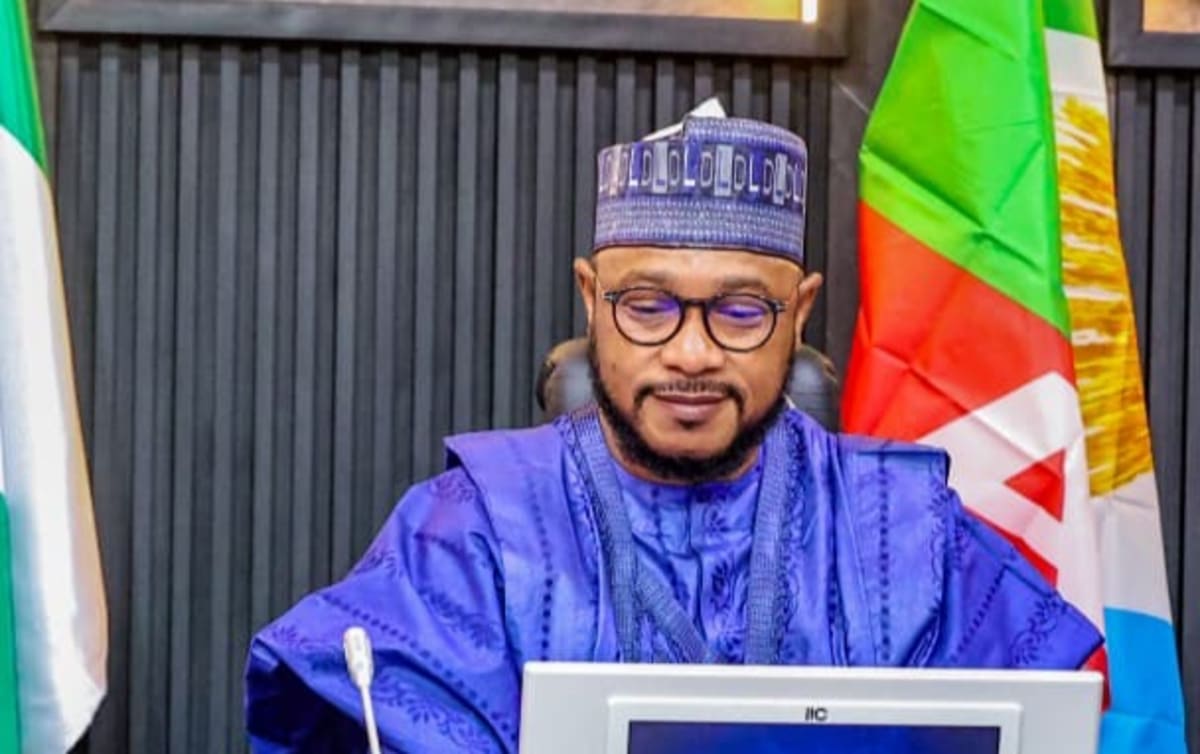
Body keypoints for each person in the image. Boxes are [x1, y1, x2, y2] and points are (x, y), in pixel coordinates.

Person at [244, 104, 1102, 753]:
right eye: (647, 305)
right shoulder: (471, 530)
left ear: (799, 314)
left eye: (739, 310)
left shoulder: (903, 530)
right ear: (591, 301)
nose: (691, 353)